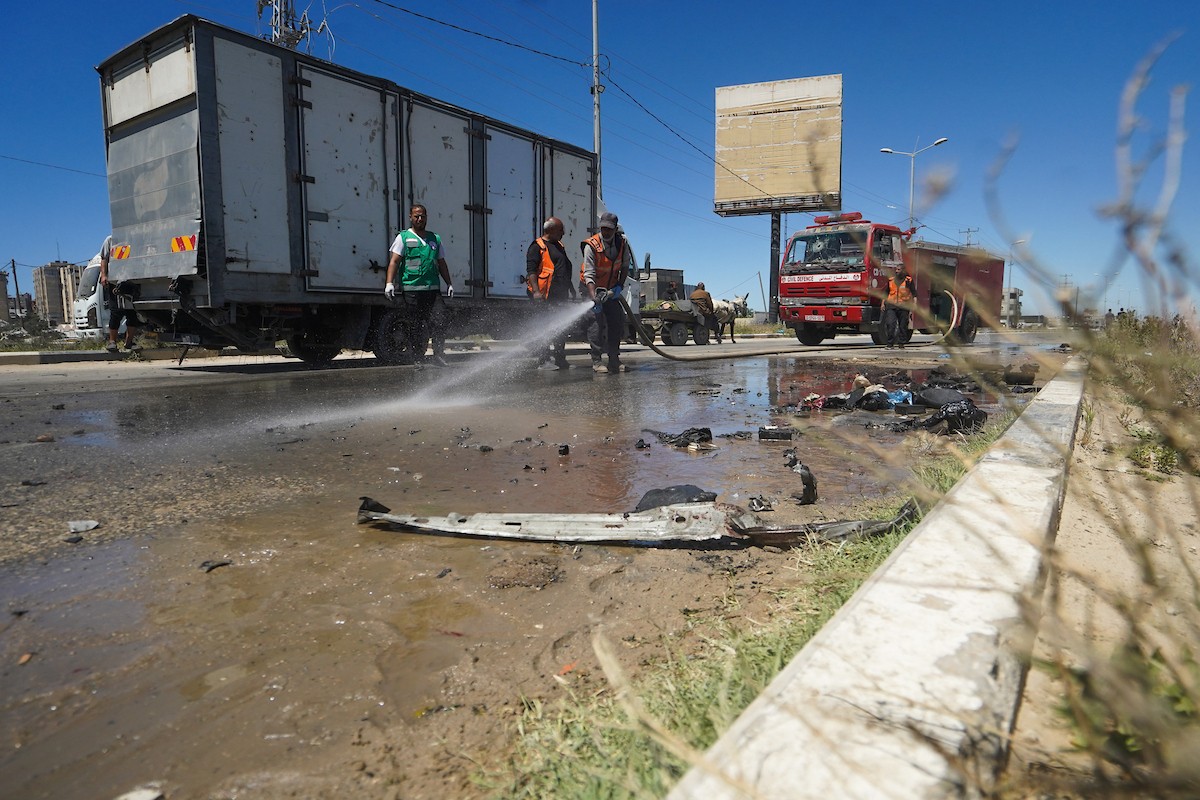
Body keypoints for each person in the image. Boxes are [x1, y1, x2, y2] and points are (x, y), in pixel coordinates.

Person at [385, 205, 455, 367]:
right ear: (411, 217)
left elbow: (441, 263)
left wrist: (449, 283)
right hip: (412, 290)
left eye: (422, 216)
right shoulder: (403, 238)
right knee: (415, 324)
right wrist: (389, 283)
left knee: (440, 320)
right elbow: (394, 261)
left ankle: (438, 355)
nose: (420, 219)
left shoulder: (434, 239)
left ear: (426, 217)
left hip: (432, 290)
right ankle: (418, 358)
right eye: (416, 216)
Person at [580, 211, 634, 373]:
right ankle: (597, 361)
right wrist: (594, 298)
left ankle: (614, 360)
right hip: (590, 288)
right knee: (596, 324)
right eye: (603, 228)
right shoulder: (591, 245)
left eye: (609, 229)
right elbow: (589, 274)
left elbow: (624, 267)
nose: (606, 232)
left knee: (616, 322)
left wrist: (619, 286)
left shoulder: (622, 244)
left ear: (615, 229)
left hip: (611, 289)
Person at [526, 216, 575, 370]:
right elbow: (531, 271)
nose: (563, 233)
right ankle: (543, 360)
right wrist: (536, 292)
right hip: (544, 296)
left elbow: (564, 268)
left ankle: (560, 359)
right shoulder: (537, 246)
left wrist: (571, 288)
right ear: (551, 230)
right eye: (561, 230)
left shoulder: (559, 245)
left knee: (561, 328)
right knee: (544, 327)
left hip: (560, 296)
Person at [98, 234, 141, 354]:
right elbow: (104, 258)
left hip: (131, 281)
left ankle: (129, 342)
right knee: (116, 312)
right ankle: (112, 342)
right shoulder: (110, 239)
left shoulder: (134, 238)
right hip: (115, 281)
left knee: (132, 313)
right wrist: (104, 275)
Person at [883, 265, 914, 349]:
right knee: (890, 324)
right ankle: (890, 344)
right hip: (891, 306)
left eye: (899, 270)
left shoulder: (908, 281)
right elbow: (886, 293)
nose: (897, 271)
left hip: (904, 306)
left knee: (903, 326)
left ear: (903, 271)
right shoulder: (891, 280)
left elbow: (914, 294)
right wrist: (883, 304)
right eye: (896, 269)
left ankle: (901, 343)